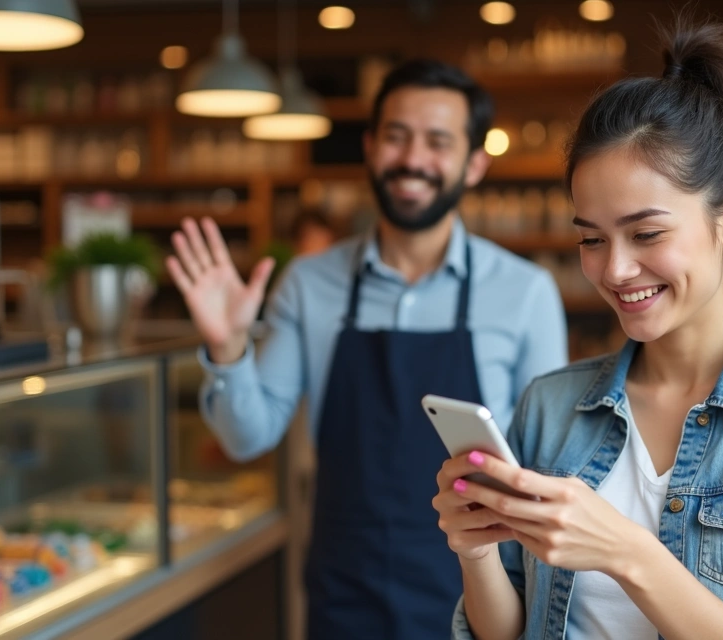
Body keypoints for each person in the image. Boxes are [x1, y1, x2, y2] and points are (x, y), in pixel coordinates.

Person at [434, 21, 723, 640]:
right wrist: (476, 550)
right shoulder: (551, 406)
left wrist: (628, 553)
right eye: (591, 238)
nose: (614, 269)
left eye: (646, 234)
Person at [166, 59, 569, 640]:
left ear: (474, 163)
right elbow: (246, 436)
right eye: (397, 137)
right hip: (342, 587)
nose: (412, 160)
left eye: (437, 141)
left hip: (477, 594)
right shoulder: (308, 284)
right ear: (371, 147)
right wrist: (229, 350)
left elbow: (546, 469)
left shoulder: (524, 293)